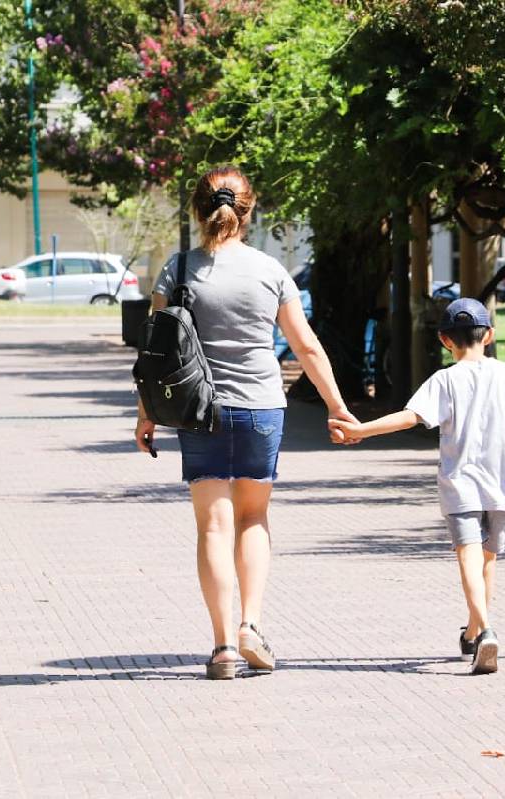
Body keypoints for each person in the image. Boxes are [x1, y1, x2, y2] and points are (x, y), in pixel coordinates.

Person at [135, 165, 358, 680]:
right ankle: (251, 626)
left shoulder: (178, 271)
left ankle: (221, 648)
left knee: (212, 525)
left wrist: (145, 414)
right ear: (248, 210)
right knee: (253, 519)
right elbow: (306, 345)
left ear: (197, 209)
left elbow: (156, 351)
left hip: (198, 410)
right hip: (261, 408)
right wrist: (337, 406)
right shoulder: (270, 271)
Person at [328, 298, 505, 675]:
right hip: (501, 485)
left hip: (460, 484)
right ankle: (476, 628)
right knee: (488, 561)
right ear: (490, 336)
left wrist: (360, 431)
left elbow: (409, 417)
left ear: (446, 341)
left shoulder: (444, 380)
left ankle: (485, 631)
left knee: (468, 557)